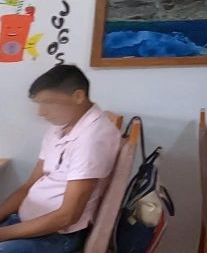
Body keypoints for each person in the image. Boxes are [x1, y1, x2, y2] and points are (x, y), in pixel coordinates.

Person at [0, 64, 121, 252]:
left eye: (48, 102)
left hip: (58, 235)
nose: (41, 112)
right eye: (39, 104)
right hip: (27, 221)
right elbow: (29, 185)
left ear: (78, 96)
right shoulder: (60, 127)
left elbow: (68, 216)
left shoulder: (92, 138)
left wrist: (3, 234)